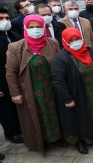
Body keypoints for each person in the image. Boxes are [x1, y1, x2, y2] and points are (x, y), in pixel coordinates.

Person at [6, 15, 66, 153]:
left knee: (55, 112)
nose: (35, 30)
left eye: (38, 26)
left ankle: (56, 137)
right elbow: (11, 72)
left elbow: (60, 63)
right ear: (25, 28)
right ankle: (41, 141)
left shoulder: (52, 43)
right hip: (31, 89)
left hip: (52, 87)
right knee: (37, 115)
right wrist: (15, 93)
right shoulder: (16, 47)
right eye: (31, 27)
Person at [51, 28, 93, 154]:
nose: (75, 42)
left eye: (77, 39)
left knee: (92, 115)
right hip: (75, 94)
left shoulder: (89, 50)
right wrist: (67, 98)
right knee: (77, 118)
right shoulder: (60, 58)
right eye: (71, 40)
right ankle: (79, 141)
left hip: (92, 91)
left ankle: (90, 137)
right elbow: (58, 81)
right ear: (65, 41)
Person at [0, 8, 24, 144]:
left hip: (18, 77)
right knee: (6, 109)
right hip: (2, 80)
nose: (5, 21)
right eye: (1, 19)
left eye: (7, 18)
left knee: (17, 105)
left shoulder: (15, 35)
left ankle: (20, 128)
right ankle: (11, 133)